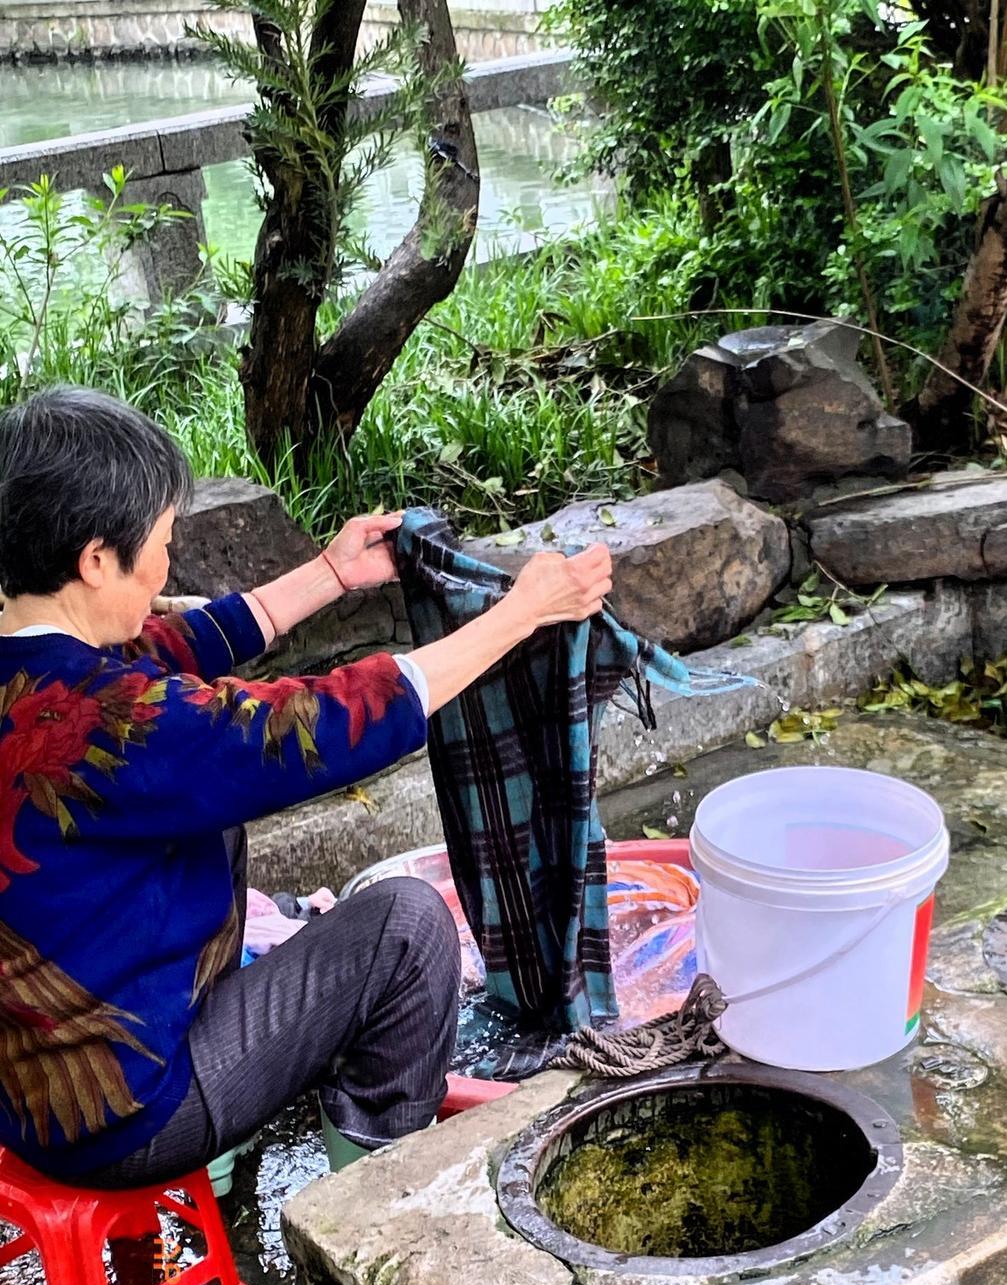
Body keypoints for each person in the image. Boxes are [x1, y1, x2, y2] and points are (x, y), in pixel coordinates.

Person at [0, 386, 612, 1188]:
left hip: (30, 1087)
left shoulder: (36, 670)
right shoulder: (113, 723)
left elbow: (171, 644)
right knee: (406, 928)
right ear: (93, 561)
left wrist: (331, 573)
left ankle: (245, 1122)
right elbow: (309, 727)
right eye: (161, 543)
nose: (165, 569)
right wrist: (521, 614)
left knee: (215, 828)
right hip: (127, 1114)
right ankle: (369, 1204)